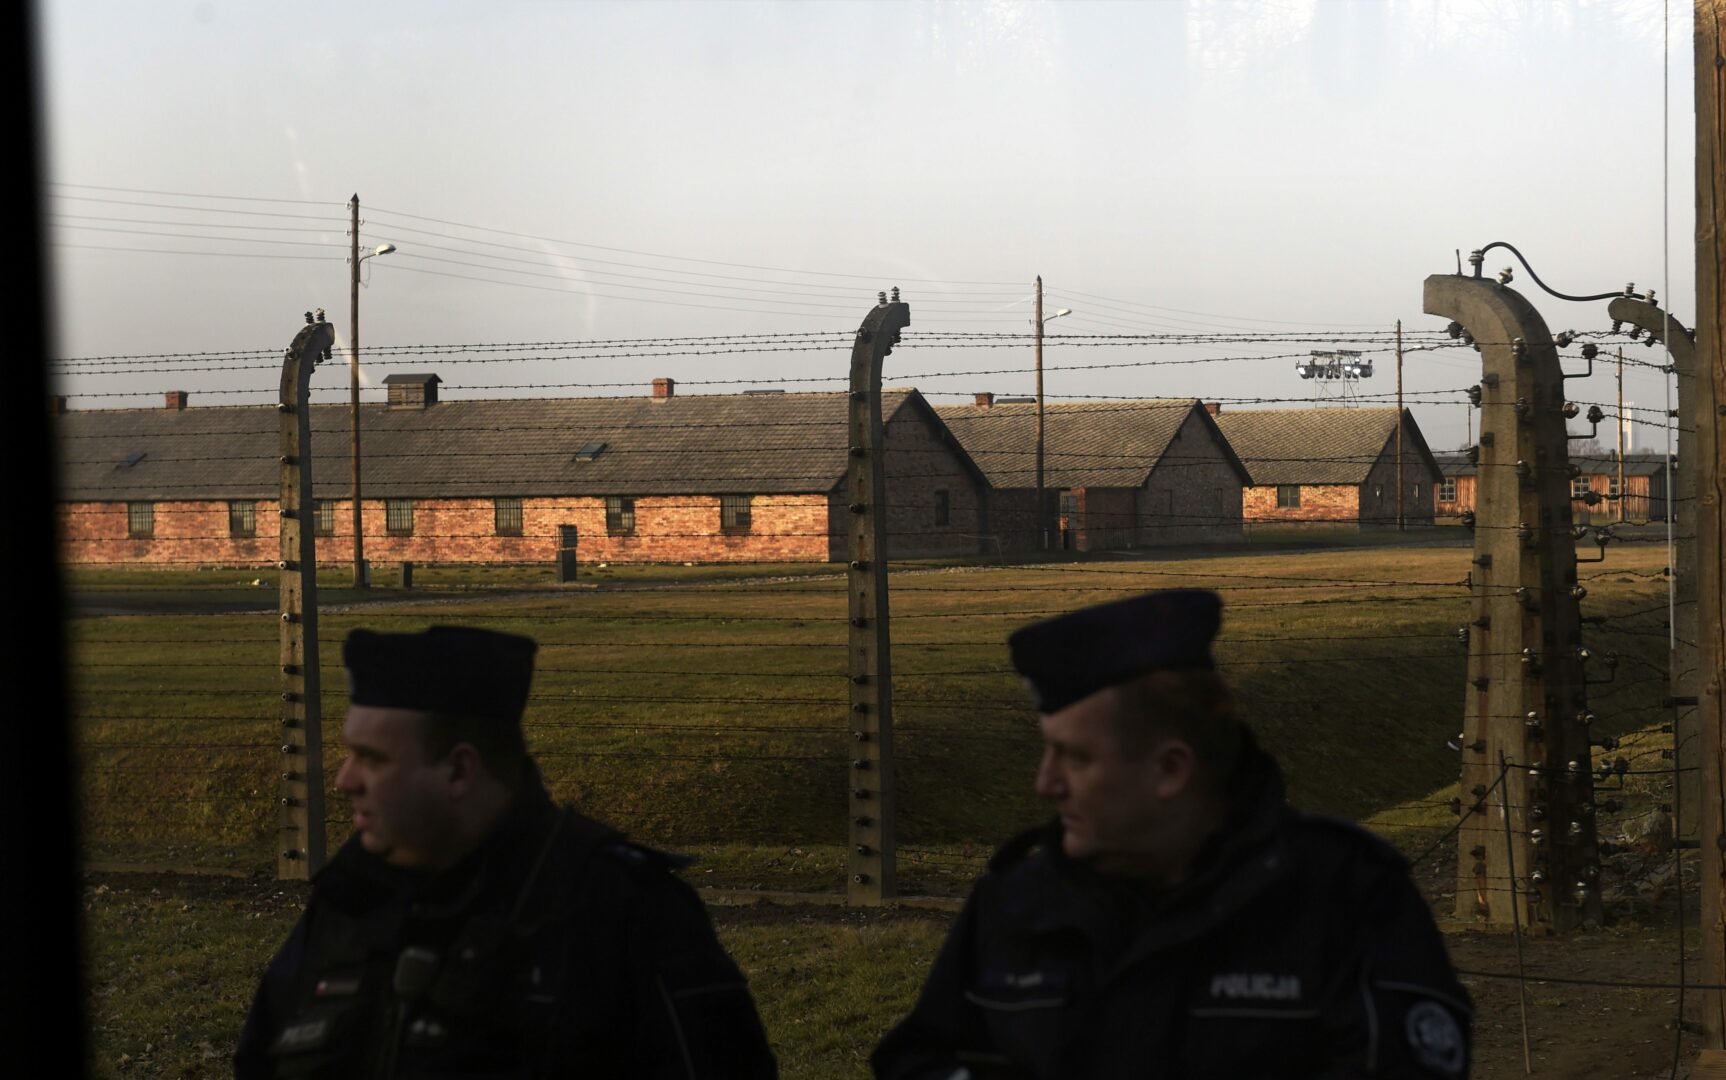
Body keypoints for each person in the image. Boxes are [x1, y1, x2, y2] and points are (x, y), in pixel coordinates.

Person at [872, 590, 1471, 1079]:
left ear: (1170, 770)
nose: (1045, 783)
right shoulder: (1018, 902)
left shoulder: (1344, 897)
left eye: (1075, 757)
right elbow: (922, 1058)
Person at [235, 625, 777, 1079]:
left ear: (459, 771)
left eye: (372, 759)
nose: (344, 780)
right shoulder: (350, 896)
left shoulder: (621, 913)